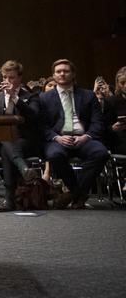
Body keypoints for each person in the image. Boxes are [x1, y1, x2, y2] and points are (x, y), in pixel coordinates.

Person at [38, 59, 110, 208]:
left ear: (73, 74)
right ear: (54, 75)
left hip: (84, 138)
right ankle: (78, 193)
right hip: (58, 139)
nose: (62, 74)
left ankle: (73, 192)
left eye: (66, 71)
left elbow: (98, 122)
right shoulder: (44, 98)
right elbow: (41, 125)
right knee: (54, 156)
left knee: (101, 153)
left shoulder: (88, 95)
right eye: (58, 71)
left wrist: (86, 137)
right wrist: (57, 137)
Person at [0, 60, 41, 212]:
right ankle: (24, 169)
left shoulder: (31, 96)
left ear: (20, 78)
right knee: (5, 143)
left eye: (11, 78)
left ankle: (9, 200)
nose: (7, 81)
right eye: (4, 78)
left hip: (24, 141)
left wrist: (15, 98)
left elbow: (33, 116)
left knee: (6, 147)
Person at [109, 66, 126, 153]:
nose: (125, 86)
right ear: (118, 84)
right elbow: (104, 128)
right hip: (121, 140)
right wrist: (112, 128)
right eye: (122, 83)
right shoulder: (111, 101)